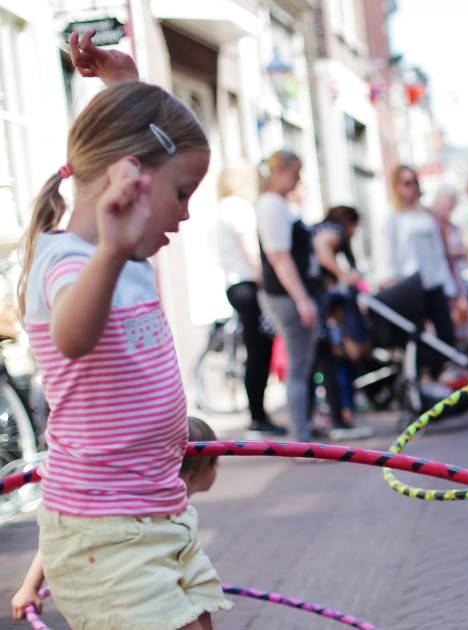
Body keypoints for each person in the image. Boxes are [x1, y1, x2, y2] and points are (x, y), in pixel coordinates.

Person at [13, 32, 230, 627]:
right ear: (126, 180)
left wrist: (125, 84)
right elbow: (71, 337)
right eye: (181, 193)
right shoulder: (71, 262)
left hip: (159, 512)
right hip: (105, 533)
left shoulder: (123, 258)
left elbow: (130, 136)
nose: (186, 214)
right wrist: (109, 251)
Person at [12, 417, 224, 621]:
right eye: (215, 462)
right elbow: (60, 536)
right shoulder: (134, 506)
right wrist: (30, 586)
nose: (218, 468)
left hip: (156, 589)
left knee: (202, 602)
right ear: (192, 476)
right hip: (116, 590)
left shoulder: (178, 512)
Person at [257, 150, 323, 444]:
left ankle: (304, 429)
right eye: (295, 174)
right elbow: (279, 257)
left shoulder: (278, 205)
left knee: (303, 366)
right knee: (298, 368)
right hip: (287, 296)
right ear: (281, 172)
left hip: (292, 294)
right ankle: (301, 438)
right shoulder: (271, 205)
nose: (298, 180)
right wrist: (302, 299)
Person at [215, 161, 285, 435]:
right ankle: (258, 415)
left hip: (234, 284)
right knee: (259, 352)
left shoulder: (222, 209)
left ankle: (258, 413)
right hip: (247, 285)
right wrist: (267, 283)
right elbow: (251, 253)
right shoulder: (239, 209)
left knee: (256, 351)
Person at [312, 205, 374, 437]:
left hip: (314, 304)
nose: (355, 232)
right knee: (329, 361)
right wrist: (344, 275)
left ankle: (335, 414)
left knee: (322, 362)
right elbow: (322, 250)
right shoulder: (333, 231)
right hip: (315, 306)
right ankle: (339, 417)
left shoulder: (320, 229)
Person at [385, 165, 458, 356]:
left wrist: (449, 287)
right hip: (410, 286)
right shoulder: (394, 218)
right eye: (406, 183)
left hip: (434, 283)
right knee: (420, 340)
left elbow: (439, 253)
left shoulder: (428, 216)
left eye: (414, 182)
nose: (412, 188)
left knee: (446, 336)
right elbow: (389, 255)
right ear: (397, 187)